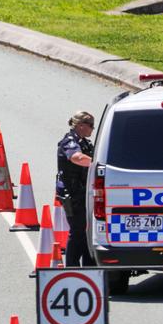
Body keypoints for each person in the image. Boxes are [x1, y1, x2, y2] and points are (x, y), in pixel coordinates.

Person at [56, 111, 96, 267]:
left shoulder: (85, 142)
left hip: (85, 193)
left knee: (88, 233)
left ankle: (88, 268)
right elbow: (77, 158)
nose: (92, 129)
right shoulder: (69, 141)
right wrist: (98, 164)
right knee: (78, 232)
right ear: (81, 125)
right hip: (73, 195)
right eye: (90, 126)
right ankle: (72, 267)